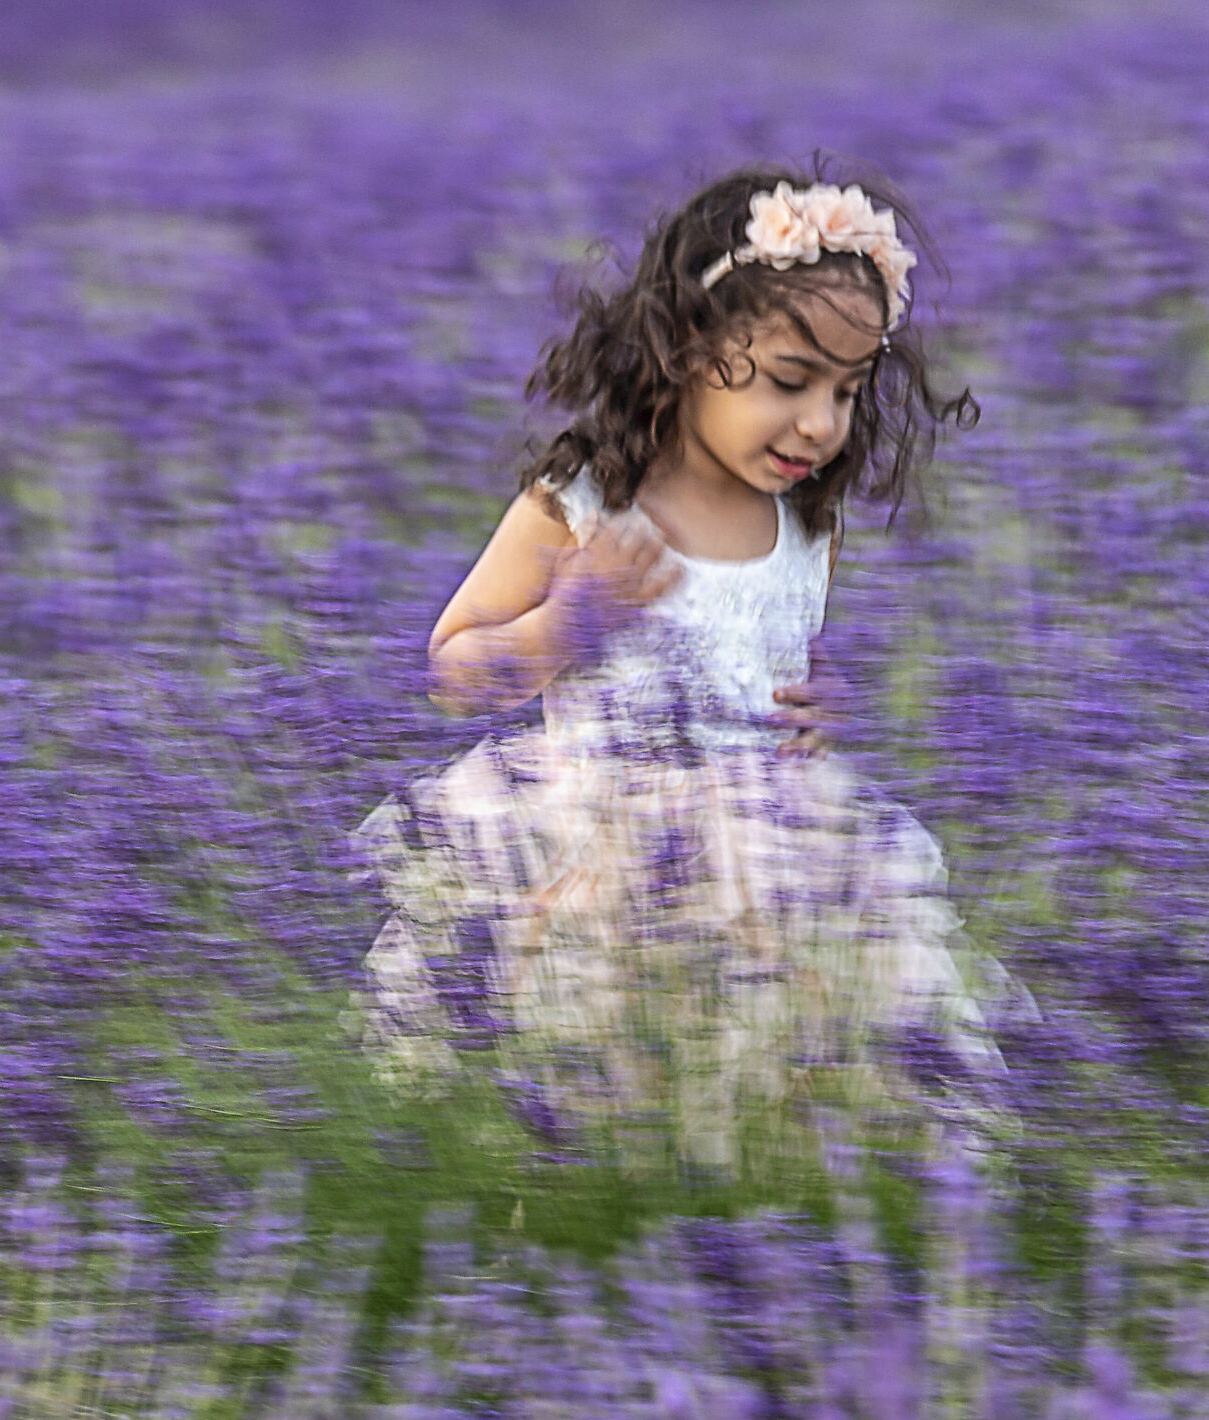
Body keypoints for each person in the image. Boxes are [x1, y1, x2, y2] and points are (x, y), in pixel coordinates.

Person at [351, 167, 1028, 1174]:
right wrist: (560, 629)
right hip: (603, 852)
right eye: (788, 381)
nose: (820, 425)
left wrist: (817, 702)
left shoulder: (805, 522)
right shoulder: (581, 502)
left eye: (848, 391)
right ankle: (577, 1243)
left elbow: (774, 644)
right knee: (592, 1085)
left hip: (775, 858)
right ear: (685, 352)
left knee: (787, 1082)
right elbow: (454, 661)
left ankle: (757, 1247)